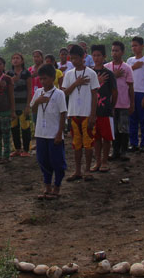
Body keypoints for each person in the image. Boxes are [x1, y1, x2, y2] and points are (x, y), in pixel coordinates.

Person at [62, 44, 100, 181]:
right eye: (71, 58)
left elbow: (95, 95)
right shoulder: (69, 74)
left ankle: (87, 170)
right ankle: (78, 170)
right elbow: (64, 93)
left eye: (76, 58)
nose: (74, 61)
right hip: (73, 113)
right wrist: (76, 83)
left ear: (83, 57)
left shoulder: (91, 73)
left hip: (86, 113)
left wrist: (93, 115)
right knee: (76, 143)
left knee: (88, 142)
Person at [30, 63, 68, 200]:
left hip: (54, 133)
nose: (43, 81)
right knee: (43, 160)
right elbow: (32, 109)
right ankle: (47, 186)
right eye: (41, 79)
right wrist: (38, 101)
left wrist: (60, 133)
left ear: (53, 78)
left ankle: (57, 187)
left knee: (57, 161)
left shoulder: (59, 94)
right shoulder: (38, 92)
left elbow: (63, 113)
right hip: (41, 133)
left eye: (45, 78)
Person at [91, 44, 117, 172]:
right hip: (92, 111)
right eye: (94, 55)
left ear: (104, 57)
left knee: (106, 137)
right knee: (96, 138)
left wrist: (112, 106)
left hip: (105, 110)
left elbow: (114, 92)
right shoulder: (89, 73)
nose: (96, 58)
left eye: (99, 55)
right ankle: (98, 161)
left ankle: (105, 161)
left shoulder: (109, 74)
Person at [106, 40, 134, 160]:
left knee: (123, 128)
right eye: (113, 50)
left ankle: (124, 151)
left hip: (123, 103)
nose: (114, 53)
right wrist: (114, 75)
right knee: (113, 129)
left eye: (117, 50)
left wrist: (132, 103)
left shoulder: (127, 68)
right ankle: (115, 151)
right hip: (111, 103)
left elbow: (131, 87)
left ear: (122, 52)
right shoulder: (106, 67)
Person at [127, 36, 144, 153]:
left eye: (136, 45)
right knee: (132, 119)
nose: (134, 48)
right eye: (132, 46)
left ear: (142, 46)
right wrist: (133, 67)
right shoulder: (130, 61)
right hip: (132, 93)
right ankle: (133, 142)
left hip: (142, 93)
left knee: (143, 119)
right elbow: (125, 75)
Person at [9, 52, 33, 157]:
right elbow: (7, 89)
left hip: (23, 105)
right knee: (14, 128)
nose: (15, 60)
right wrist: (12, 81)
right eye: (13, 58)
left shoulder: (26, 73)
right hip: (12, 106)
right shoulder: (9, 74)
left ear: (22, 61)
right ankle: (17, 149)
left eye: (17, 58)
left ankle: (26, 150)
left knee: (25, 128)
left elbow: (29, 90)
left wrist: (28, 105)